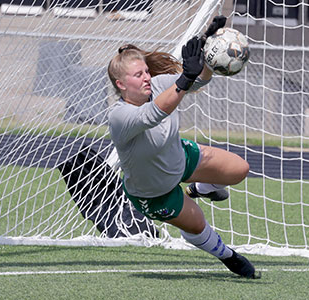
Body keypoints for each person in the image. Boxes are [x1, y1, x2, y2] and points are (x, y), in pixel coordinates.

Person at [107, 16, 259, 279]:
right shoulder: (119, 116)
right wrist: (184, 79)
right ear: (121, 84)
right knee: (198, 225)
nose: (146, 78)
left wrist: (207, 51)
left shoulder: (157, 85)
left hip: (179, 157)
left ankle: (199, 188)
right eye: (137, 75)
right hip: (154, 193)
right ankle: (228, 257)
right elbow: (154, 113)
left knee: (240, 169)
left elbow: (197, 80)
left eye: (145, 71)